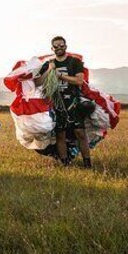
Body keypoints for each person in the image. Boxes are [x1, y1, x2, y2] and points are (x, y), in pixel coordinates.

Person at [34, 35, 92, 168]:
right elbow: (37, 82)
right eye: (56, 46)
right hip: (56, 103)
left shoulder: (74, 62)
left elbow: (79, 81)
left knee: (80, 133)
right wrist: (49, 70)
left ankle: (87, 164)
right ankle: (66, 165)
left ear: (66, 46)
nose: (59, 48)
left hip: (73, 101)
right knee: (60, 134)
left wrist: (60, 75)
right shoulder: (49, 64)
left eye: (62, 45)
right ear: (52, 48)